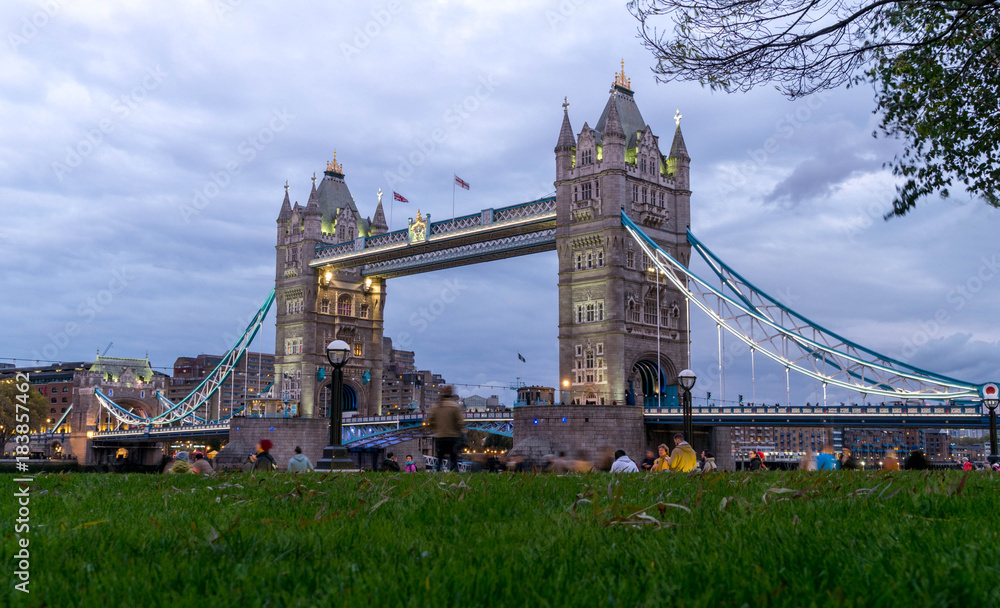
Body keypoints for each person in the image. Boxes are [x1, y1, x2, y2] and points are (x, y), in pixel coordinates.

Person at [427, 386, 464, 472]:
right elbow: (461, 422)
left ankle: (437, 474)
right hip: (453, 436)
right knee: (454, 458)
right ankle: (454, 476)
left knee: (439, 458)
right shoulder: (455, 406)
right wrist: (457, 429)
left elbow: (430, 421)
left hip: (440, 436)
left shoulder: (436, 406)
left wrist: (437, 428)